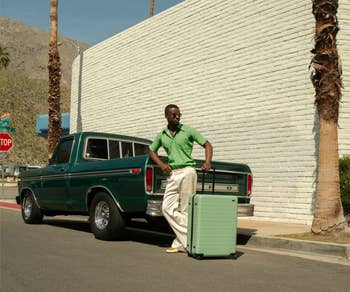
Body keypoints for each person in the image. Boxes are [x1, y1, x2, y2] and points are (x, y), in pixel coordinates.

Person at [149, 104, 213, 253]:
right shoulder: (162, 134)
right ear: (166, 116)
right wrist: (161, 164)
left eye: (179, 115)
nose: (177, 117)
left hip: (187, 171)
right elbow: (151, 150)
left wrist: (207, 161)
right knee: (166, 208)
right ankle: (188, 241)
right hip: (173, 174)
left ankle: (182, 243)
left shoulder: (188, 130)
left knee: (185, 209)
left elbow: (207, 144)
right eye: (174, 115)